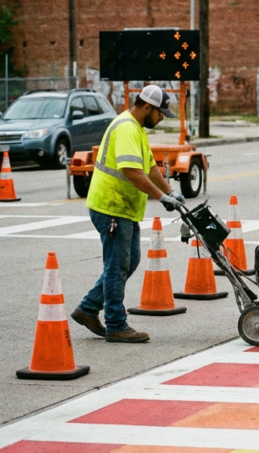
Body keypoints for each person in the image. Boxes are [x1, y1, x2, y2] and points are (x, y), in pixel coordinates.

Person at [71, 85, 185, 343]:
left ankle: (88, 309)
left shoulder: (136, 129)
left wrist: (170, 190)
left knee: (128, 261)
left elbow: (149, 166)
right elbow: (132, 171)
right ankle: (116, 324)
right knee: (117, 265)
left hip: (124, 209)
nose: (162, 117)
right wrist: (160, 197)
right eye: (160, 113)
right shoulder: (126, 128)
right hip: (111, 207)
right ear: (147, 107)